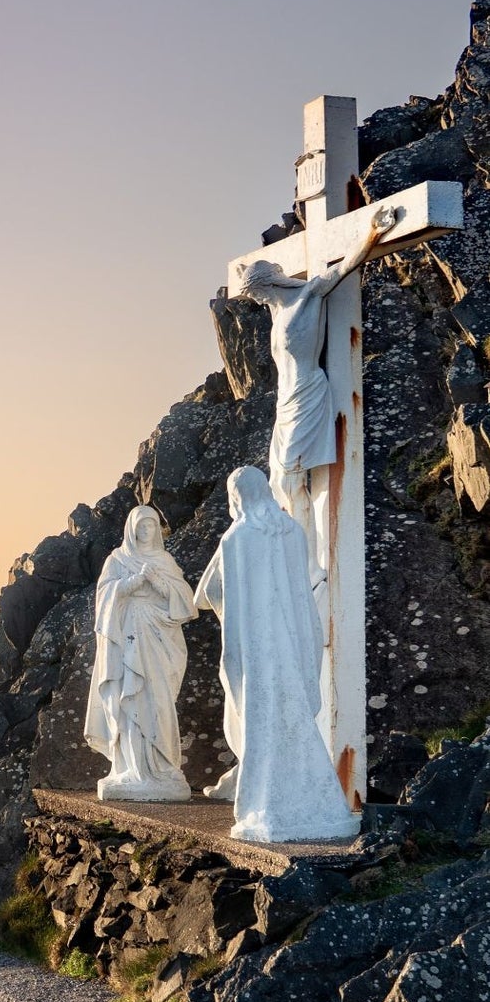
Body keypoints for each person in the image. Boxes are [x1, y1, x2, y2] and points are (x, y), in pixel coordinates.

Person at [235, 205, 397, 619]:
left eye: (256, 292)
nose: (255, 299)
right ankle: (299, 555)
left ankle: (308, 562)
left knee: (291, 478)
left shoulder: (306, 297)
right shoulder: (274, 312)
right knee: (280, 483)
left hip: (308, 392)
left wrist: (372, 235)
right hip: (283, 403)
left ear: (268, 283)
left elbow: (341, 269)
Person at [196, 467, 359, 842]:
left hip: (258, 651)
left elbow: (233, 610)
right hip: (292, 642)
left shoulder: (236, 539)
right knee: (297, 723)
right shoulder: (293, 532)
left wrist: (232, 659)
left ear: (236, 496)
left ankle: (266, 806)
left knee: (263, 729)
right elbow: (301, 597)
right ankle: (318, 806)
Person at [84, 505, 197, 801]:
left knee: (158, 700)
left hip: (158, 639)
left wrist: (159, 583)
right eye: (141, 526)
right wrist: (134, 582)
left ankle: (162, 768)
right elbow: (104, 597)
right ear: (131, 529)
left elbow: (186, 602)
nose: (146, 531)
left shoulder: (164, 560)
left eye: (152, 526)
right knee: (129, 701)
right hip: (126, 639)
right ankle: (132, 771)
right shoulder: (118, 559)